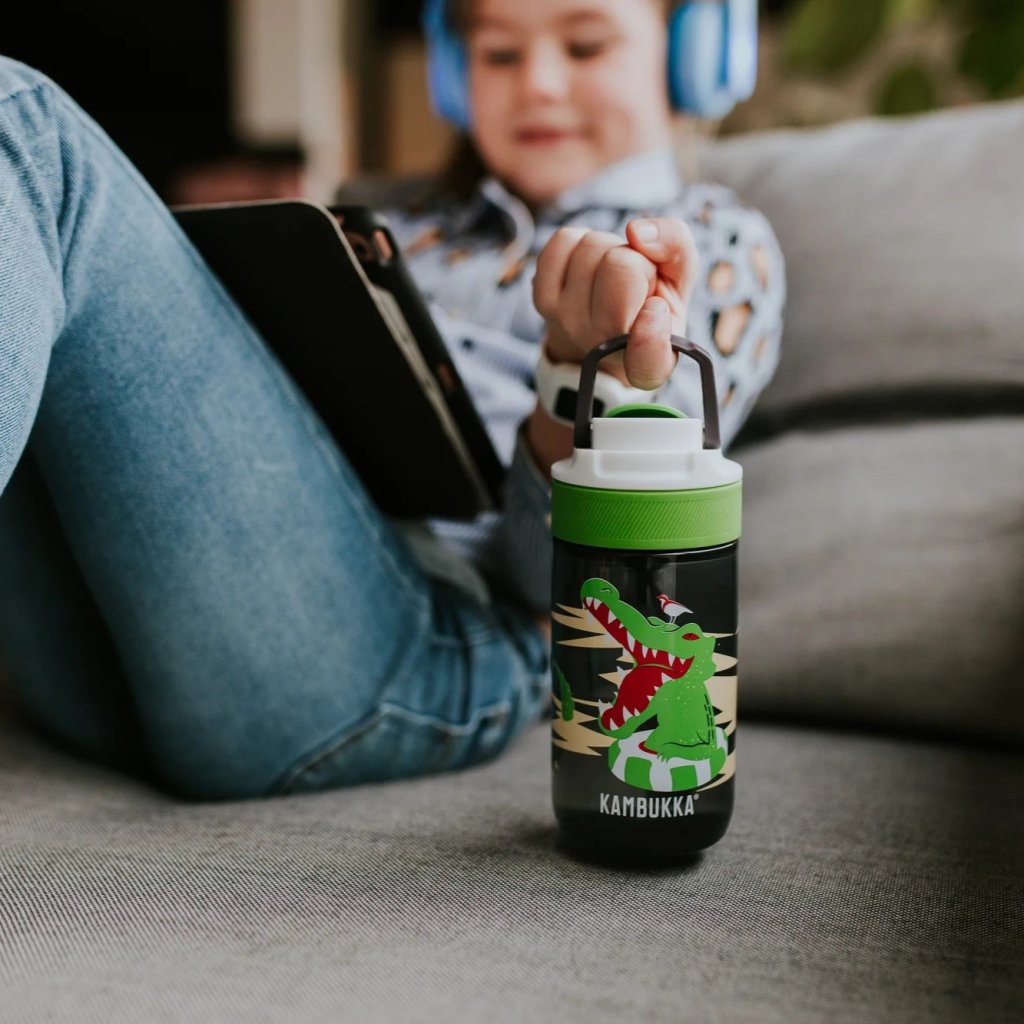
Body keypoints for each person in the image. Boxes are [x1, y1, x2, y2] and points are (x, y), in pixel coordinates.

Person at [0, 0, 784, 801]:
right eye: (499, 55)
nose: (539, 85)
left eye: (584, 46)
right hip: (128, 647)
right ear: (452, 70)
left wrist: (574, 376)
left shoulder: (710, 244)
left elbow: (560, 582)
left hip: (436, 648)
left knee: (19, 116)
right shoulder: (380, 222)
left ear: (694, 52)